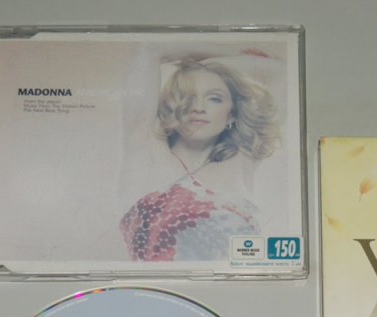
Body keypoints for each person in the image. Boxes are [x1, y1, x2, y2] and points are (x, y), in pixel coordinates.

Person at [119, 59, 280, 261]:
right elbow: (148, 51)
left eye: (214, 98)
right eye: (186, 97)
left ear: (232, 114)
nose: (198, 108)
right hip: (158, 281)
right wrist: (198, 58)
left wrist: (210, 62)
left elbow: (282, 72)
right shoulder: (146, 156)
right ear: (168, 107)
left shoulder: (242, 163)